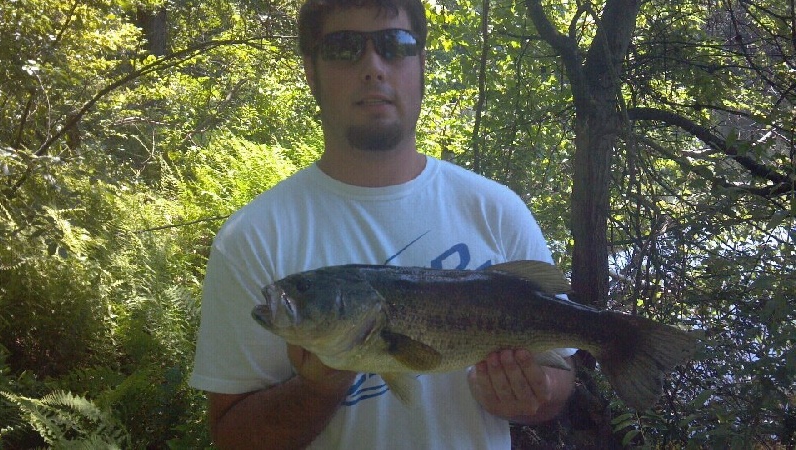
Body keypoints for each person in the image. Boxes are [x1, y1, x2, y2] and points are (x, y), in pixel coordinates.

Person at [188, 0, 576, 447]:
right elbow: (232, 438)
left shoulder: (496, 208)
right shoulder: (252, 238)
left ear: (421, 64)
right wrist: (317, 389)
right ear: (311, 71)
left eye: (395, 44)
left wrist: (535, 393)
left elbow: (561, 376)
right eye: (343, 47)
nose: (372, 66)